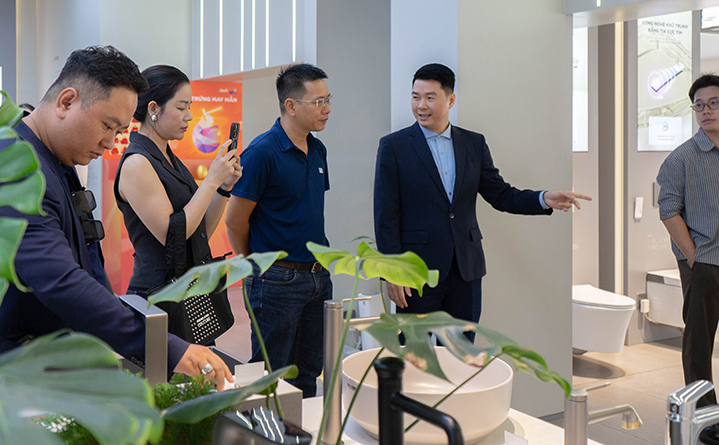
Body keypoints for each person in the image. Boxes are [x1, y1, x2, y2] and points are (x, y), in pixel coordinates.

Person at [0, 46, 232, 388]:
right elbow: (59, 279)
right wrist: (165, 346)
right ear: (66, 102)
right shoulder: (13, 166)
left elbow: (85, 261)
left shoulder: (56, 160)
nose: (111, 142)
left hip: (49, 360)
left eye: (119, 131)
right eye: (107, 126)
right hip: (11, 372)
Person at [374, 63, 590, 328]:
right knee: (415, 350)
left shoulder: (473, 143)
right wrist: (391, 272)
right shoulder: (394, 146)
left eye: (430, 98)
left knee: (464, 349)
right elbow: (386, 214)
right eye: (415, 97)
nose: (421, 106)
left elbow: (500, 195)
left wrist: (542, 198)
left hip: (466, 270)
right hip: (416, 271)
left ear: (450, 100)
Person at [225, 63, 332, 397]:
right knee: (271, 375)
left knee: (309, 372)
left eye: (328, 100)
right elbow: (234, 220)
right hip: (276, 280)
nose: (327, 109)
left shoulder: (318, 149)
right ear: (291, 105)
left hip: (317, 277)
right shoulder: (262, 153)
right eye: (319, 102)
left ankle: (303, 426)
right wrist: (256, 264)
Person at [114, 64, 241, 341]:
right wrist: (210, 181)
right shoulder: (137, 163)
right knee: (165, 368)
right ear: (153, 109)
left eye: (189, 107)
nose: (190, 116)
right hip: (158, 296)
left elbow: (199, 230)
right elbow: (173, 234)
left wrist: (223, 188)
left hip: (186, 292)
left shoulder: (169, 158)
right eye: (181, 107)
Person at [657, 75, 719, 424]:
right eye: (699, 105)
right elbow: (668, 210)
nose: (705, 110)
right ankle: (706, 421)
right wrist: (694, 257)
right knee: (699, 346)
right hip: (705, 262)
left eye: (713, 103)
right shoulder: (681, 158)